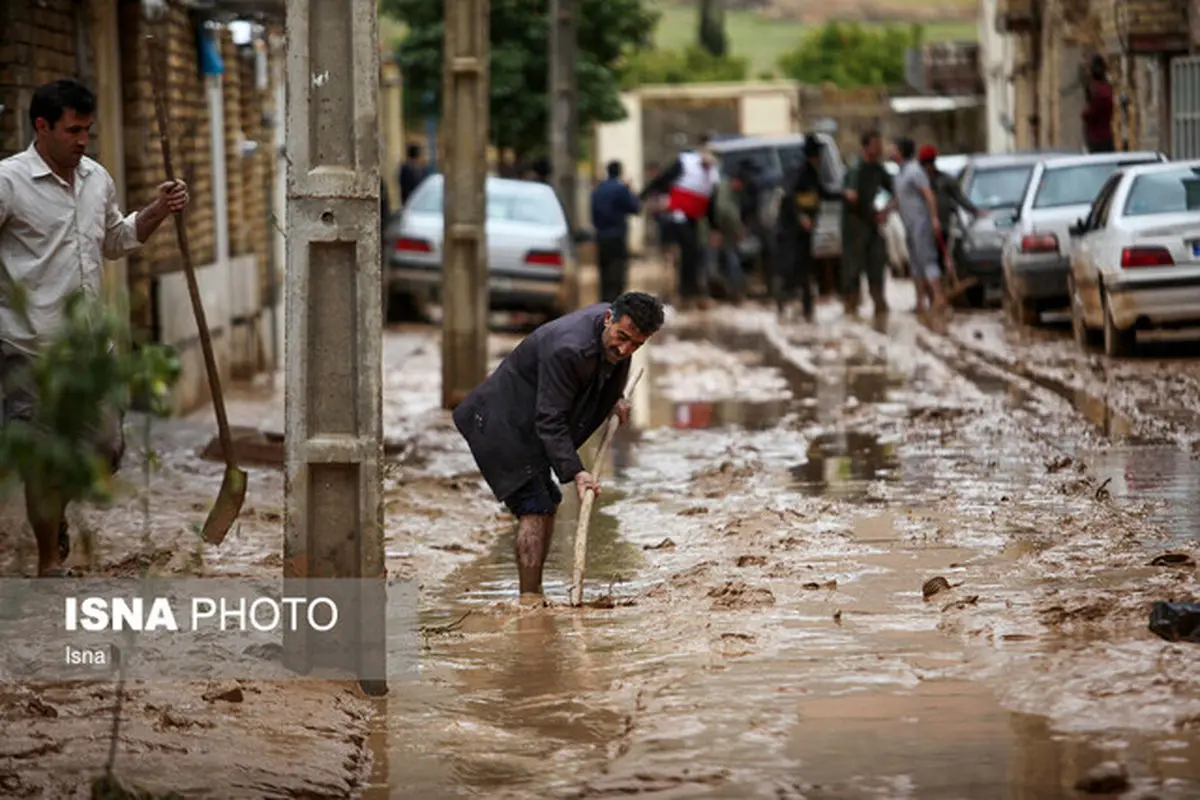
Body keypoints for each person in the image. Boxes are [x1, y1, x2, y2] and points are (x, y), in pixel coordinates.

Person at [0, 78, 190, 576]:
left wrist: (158, 211)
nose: (82, 140)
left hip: (90, 353)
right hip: (30, 347)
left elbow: (117, 239)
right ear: (41, 127)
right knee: (42, 457)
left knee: (104, 449)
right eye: (73, 130)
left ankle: (55, 515)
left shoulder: (96, 179)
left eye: (87, 130)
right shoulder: (8, 182)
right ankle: (47, 564)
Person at [452, 291, 665, 603]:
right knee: (535, 504)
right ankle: (529, 600)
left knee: (546, 500)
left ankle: (534, 591)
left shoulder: (612, 334)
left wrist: (613, 398)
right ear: (609, 319)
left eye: (636, 344)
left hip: (527, 420)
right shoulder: (569, 348)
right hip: (500, 423)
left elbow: (609, 367)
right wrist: (576, 472)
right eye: (622, 337)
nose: (625, 349)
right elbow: (551, 419)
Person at [639, 135, 721, 310]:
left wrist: (715, 228)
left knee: (694, 254)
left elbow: (710, 205)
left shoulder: (712, 177)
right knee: (682, 252)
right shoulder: (686, 163)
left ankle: (689, 290)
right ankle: (681, 292)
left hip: (693, 218)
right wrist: (643, 195)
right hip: (676, 215)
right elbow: (662, 179)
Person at [776, 135, 841, 322]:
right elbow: (789, 197)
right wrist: (801, 217)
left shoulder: (813, 173)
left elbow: (822, 193)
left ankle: (806, 312)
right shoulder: (797, 171)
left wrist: (842, 195)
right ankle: (786, 310)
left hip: (805, 233)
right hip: (790, 233)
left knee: (805, 272)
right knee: (791, 271)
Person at [841, 130, 894, 317]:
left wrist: (885, 211)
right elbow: (850, 194)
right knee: (853, 267)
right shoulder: (856, 168)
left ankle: (879, 303)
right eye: (875, 145)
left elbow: (895, 190)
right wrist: (851, 195)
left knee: (877, 261)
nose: (879, 149)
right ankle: (851, 304)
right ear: (866, 147)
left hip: (870, 221)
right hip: (854, 223)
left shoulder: (878, 170)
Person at [893, 138, 944, 316]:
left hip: (921, 224)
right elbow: (899, 199)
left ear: (900, 151)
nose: (892, 151)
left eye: (894, 148)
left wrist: (934, 218)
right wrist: (885, 212)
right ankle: (920, 302)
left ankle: (938, 298)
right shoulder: (899, 174)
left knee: (927, 260)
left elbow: (929, 195)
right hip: (908, 225)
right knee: (915, 264)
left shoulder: (915, 171)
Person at [917, 144, 983, 279]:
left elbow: (960, 198)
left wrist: (975, 211)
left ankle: (944, 281)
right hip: (924, 228)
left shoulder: (946, 180)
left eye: (930, 163)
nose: (928, 167)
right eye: (925, 164)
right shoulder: (920, 182)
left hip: (943, 226)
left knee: (944, 256)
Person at [589, 161, 641, 302]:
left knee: (604, 272)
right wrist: (630, 190)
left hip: (602, 236)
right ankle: (617, 302)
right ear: (620, 172)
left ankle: (604, 303)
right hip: (617, 235)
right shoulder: (621, 189)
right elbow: (635, 208)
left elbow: (593, 216)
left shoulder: (598, 190)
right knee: (618, 272)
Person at [1082, 55, 1115, 154]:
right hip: (1106, 135)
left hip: (1096, 138)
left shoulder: (1096, 89)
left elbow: (1090, 112)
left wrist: (1085, 114)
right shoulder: (1107, 88)